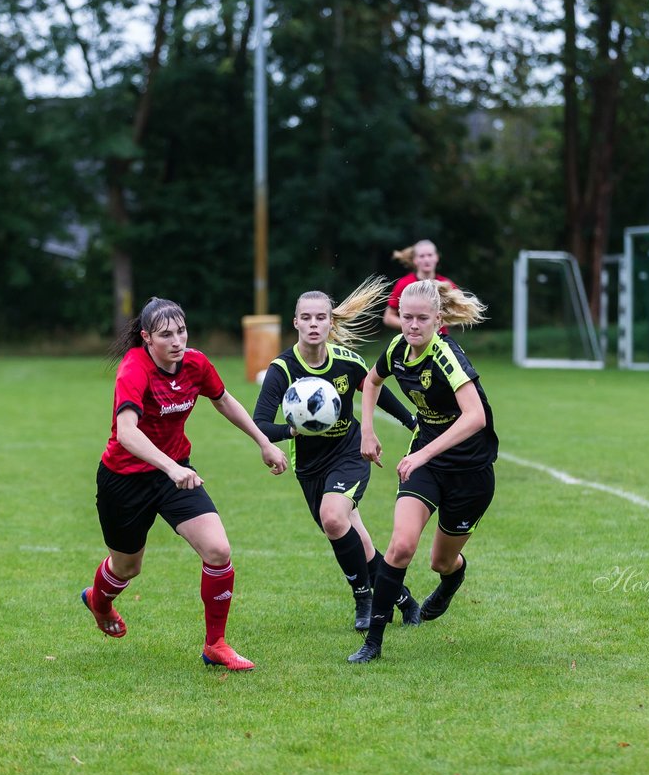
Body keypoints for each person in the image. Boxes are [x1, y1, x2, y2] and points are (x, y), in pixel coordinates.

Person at [80, 297, 289, 672]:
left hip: (175, 472)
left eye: (181, 331)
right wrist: (170, 468)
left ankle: (216, 645)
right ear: (146, 337)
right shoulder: (134, 369)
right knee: (127, 568)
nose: (177, 340)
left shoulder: (195, 363)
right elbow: (127, 433)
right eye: (166, 334)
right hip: (124, 480)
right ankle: (100, 601)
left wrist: (264, 442)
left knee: (218, 550)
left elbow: (224, 401)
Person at [252, 278, 422, 632]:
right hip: (310, 465)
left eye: (321, 318)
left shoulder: (347, 362)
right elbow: (261, 424)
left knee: (333, 517)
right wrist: (290, 432)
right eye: (306, 318)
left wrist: (413, 424)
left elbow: (379, 391)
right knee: (352, 537)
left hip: (350, 451)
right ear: (295, 322)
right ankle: (404, 600)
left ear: (331, 323)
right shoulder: (282, 370)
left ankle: (364, 598)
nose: (314, 324)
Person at [349, 279, 498, 663]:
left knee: (440, 562)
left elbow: (476, 417)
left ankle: (451, 580)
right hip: (426, 465)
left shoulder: (446, 356)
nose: (411, 326)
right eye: (405, 317)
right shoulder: (398, 347)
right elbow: (371, 382)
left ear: (438, 319)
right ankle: (373, 644)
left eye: (421, 319)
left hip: (470, 473)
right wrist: (368, 429)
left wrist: (422, 453)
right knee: (401, 545)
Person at [383, 239, 456, 333]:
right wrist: (412, 325)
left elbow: (460, 312)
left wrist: (434, 323)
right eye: (422, 256)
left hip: (441, 341)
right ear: (415, 260)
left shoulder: (446, 284)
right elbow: (388, 318)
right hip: (413, 341)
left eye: (430, 255)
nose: (426, 259)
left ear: (436, 257)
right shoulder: (404, 284)